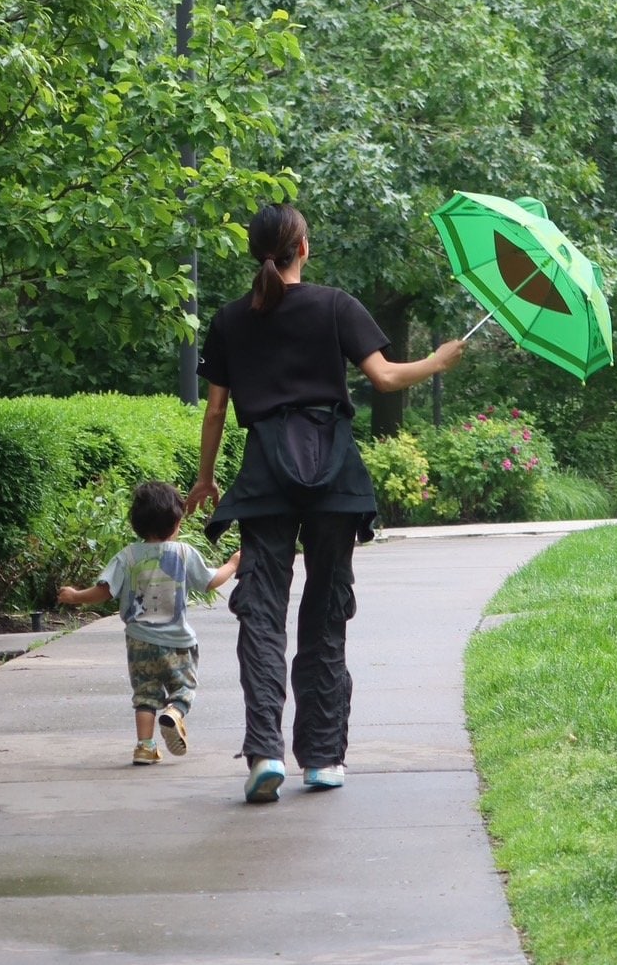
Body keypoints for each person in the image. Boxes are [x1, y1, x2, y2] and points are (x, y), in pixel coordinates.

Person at [185, 202, 464, 804]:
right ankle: (324, 758)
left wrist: (206, 479)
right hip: (334, 469)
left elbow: (214, 410)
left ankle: (264, 751)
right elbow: (386, 378)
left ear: (257, 251)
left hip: (264, 472)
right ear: (303, 248)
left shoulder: (232, 319)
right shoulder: (337, 305)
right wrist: (438, 361)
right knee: (326, 606)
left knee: (261, 609)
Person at [58, 480, 240, 765]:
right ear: (176, 522)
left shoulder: (127, 556)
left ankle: (145, 746)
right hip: (177, 641)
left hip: (139, 640)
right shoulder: (183, 553)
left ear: (137, 524)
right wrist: (232, 564)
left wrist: (74, 596)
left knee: (145, 694)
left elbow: (104, 591)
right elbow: (209, 582)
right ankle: (174, 714)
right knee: (183, 689)